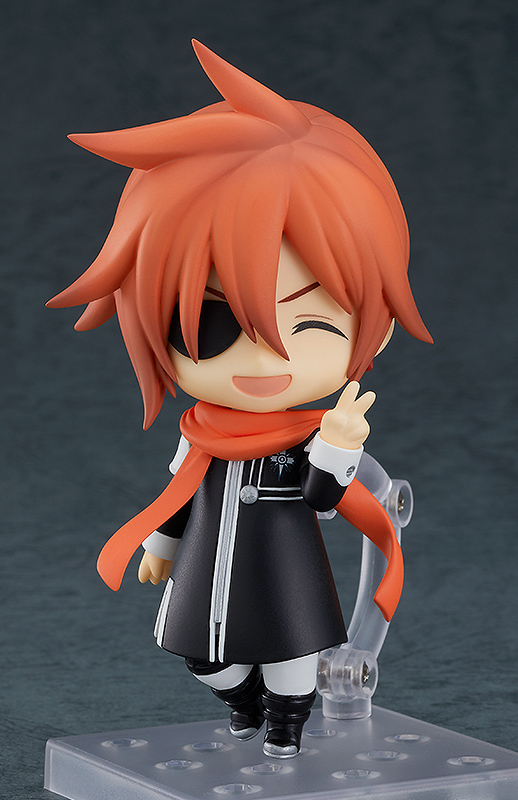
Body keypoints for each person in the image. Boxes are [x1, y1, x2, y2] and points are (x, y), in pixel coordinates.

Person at [48, 40, 431, 758]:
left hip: (287, 568)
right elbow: (184, 489)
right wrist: (163, 542)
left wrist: (339, 446)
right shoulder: (201, 430)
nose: (261, 358)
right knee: (203, 656)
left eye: (310, 323)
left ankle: (285, 729)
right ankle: (243, 703)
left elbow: (322, 499)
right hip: (209, 567)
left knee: (292, 657)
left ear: (370, 324)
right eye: (212, 325)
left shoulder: (310, 432)